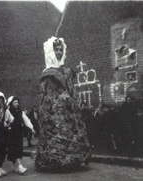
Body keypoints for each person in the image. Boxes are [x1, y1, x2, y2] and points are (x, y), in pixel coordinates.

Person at [35, 37, 91, 172]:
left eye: (61, 50)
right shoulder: (46, 74)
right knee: (57, 137)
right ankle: (56, 163)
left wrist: (75, 104)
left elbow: (72, 91)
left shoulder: (67, 71)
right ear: (50, 52)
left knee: (73, 133)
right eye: (56, 50)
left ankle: (73, 161)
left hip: (70, 112)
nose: (59, 52)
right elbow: (45, 97)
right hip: (55, 114)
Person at [7, 96, 35, 174]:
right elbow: (6, 121)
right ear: (11, 103)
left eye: (17, 102)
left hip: (18, 132)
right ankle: (20, 166)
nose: (16, 104)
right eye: (15, 102)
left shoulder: (20, 111)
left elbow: (26, 120)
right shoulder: (8, 111)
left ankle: (13, 166)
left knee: (19, 148)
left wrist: (31, 128)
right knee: (14, 148)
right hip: (11, 133)